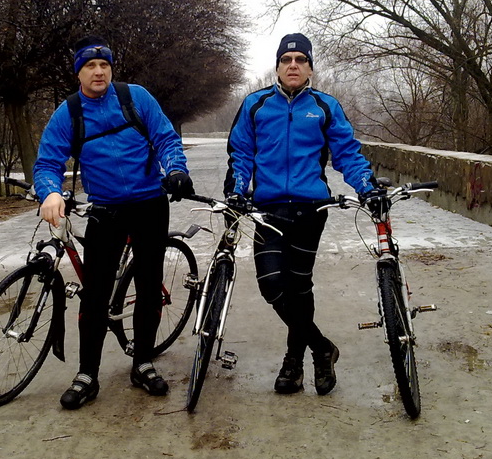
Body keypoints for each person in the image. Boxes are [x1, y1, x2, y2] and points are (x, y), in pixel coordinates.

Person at [33, 36, 194, 410]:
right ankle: (87, 374)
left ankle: (143, 363)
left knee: (149, 287)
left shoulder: (135, 97)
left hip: (150, 205)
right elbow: (47, 163)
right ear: (78, 73)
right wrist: (50, 193)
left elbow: (166, 138)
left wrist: (175, 169)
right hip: (106, 210)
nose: (98, 71)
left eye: (104, 64)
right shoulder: (69, 113)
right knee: (95, 294)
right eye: (90, 66)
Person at [224, 33, 386, 396]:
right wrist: (235, 190)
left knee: (299, 287)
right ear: (277, 67)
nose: (293, 65)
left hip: (311, 209)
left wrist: (367, 187)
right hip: (268, 209)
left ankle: (293, 363)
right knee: (271, 285)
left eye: (300, 59)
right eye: (286, 60)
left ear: (310, 67)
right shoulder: (255, 104)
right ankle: (322, 347)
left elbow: (347, 154)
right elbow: (241, 153)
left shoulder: (325, 106)